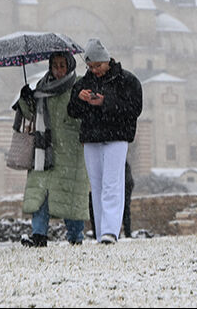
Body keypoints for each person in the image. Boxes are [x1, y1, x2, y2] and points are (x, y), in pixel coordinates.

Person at [68, 38, 142, 245]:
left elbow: (134, 109)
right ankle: (101, 232)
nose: (94, 70)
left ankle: (111, 230)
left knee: (112, 183)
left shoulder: (127, 80)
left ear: (107, 61)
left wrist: (105, 102)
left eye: (97, 66)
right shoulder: (83, 83)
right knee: (97, 186)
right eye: (90, 66)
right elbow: (72, 111)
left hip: (117, 137)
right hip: (91, 138)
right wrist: (79, 99)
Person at [13, 51, 89, 247]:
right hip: (43, 151)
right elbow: (31, 114)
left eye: (62, 65)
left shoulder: (79, 85)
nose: (58, 70)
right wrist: (26, 98)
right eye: (55, 66)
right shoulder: (42, 87)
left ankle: (75, 237)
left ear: (70, 65)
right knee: (41, 195)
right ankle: (38, 235)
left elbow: (87, 114)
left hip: (70, 152)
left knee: (68, 196)